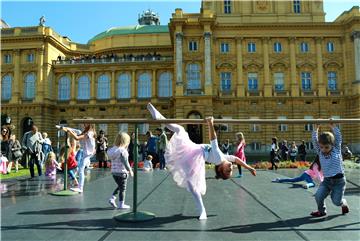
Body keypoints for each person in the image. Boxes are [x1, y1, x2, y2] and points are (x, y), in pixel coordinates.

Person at [147, 103, 256, 220]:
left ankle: (159, 118)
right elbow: (237, 159)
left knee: (180, 129)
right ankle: (202, 210)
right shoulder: (224, 158)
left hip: (194, 155)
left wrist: (210, 123)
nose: (231, 168)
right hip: (193, 152)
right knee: (192, 185)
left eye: (228, 171)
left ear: (220, 168)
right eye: (231, 170)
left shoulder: (219, 158)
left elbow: (213, 139)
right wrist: (249, 168)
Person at [310, 122, 349, 217]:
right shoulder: (320, 152)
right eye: (322, 147)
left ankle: (343, 203)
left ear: (332, 145)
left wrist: (333, 126)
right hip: (327, 181)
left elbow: (338, 138)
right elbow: (315, 141)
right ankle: (321, 211)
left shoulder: (336, 149)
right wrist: (316, 129)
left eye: (326, 147)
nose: (324, 149)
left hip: (339, 182)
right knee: (318, 196)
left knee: (336, 201)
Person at [59, 118, 96, 193]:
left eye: (85, 123)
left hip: (88, 153)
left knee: (81, 169)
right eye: (83, 123)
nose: (83, 124)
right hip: (88, 152)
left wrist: (69, 131)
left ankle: (80, 188)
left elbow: (77, 138)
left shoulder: (90, 133)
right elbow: (77, 134)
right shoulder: (86, 131)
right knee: (80, 169)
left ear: (90, 124)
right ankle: (80, 187)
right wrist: (68, 129)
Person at [107, 132, 134, 209]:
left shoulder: (113, 149)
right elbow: (125, 162)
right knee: (123, 189)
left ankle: (112, 198)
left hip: (114, 172)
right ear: (126, 142)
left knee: (120, 186)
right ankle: (121, 204)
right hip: (122, 172)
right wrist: (130, 170)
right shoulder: (123, 151)